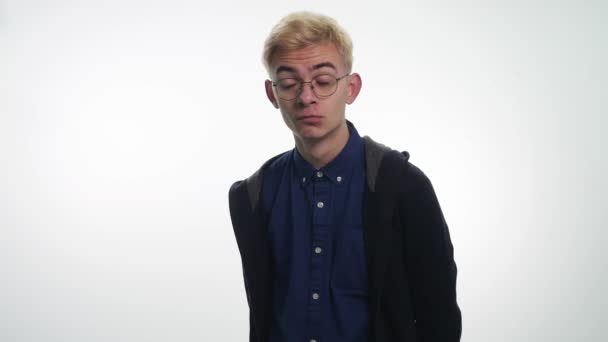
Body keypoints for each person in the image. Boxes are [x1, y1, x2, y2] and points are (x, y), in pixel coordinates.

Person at [228, 11, 461, 342]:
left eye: (323, 81)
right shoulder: (252, 195)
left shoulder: (404, 186)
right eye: (290, 83)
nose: (306, 97)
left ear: (351, 88)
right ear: (272, 94)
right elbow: (263, 314)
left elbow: (439, 318)